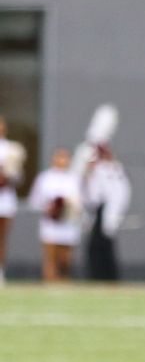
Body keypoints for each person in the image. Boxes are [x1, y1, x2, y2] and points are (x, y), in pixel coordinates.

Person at [28, 148, 81, 283]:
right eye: (59, 157)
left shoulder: (74, 179)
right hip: (50, 224)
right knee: (50, 257)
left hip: (68, 224)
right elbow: (35, 201)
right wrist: (49, 208)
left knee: (65, 259)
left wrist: (71, 207)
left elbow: (80, 201)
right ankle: (49, 282)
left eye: (65, 157)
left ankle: (63, 282)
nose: (62, 161)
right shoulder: (44, 178)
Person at [82, 144, 132, 282]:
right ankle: (95, 276)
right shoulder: (96, 169)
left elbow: (120, 193)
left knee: (106, 246)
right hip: (97, 210)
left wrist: (117, 212)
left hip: (107, 210)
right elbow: (90, 195)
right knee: (95, 247)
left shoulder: (114, 169)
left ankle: (108, 277)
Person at [0, 115, 27, 287]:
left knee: (2, 237)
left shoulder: (12, 149)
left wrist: (7, 176)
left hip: (5, 198)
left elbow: (19, 177)